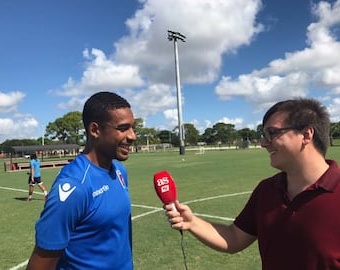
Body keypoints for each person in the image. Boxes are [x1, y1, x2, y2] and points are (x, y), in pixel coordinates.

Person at [165, 98, 340, 269]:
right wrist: (192, 223)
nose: (264, 143)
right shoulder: (267, 190)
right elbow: (234, 238)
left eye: (272, 133)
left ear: (306, 135)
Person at [26, 91, 137, 270]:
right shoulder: (75, 187)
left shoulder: (119, 172)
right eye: (123, 128)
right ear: (95, 130)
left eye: (133, 128)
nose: (132, 136)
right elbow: (40, 265)